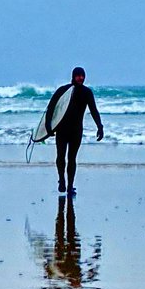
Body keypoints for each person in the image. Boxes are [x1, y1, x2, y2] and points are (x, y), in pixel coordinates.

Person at [43, 66, 103, 196]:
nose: (81, 78)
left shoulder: (87, 93)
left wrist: (100, 126)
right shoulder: (63, 91)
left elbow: (93, 110)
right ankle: (61, 181)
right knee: (60, 157)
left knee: (72, 158)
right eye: (78, 75)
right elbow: (51, 108)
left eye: (82, 75)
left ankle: (70, 186)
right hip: (62, 129)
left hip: (76, 131)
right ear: (73, 76)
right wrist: (48, 126)